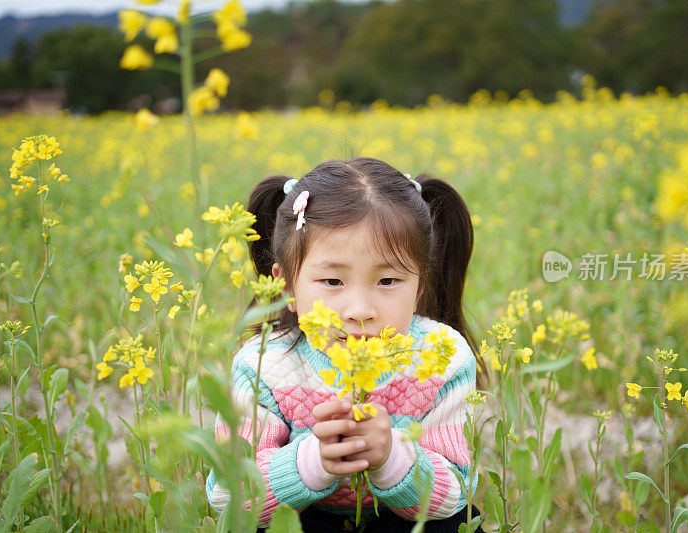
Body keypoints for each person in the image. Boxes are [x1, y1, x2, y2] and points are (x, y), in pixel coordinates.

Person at [206, 157, 484, 532]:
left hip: (402, 520)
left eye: (387, 281)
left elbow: (456, 491)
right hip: (301, 518)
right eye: (333, 282)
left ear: (420, 286)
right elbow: (227, 493)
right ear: (286, 285)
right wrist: (312, 463)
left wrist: (394, 459)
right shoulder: (263, 365)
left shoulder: (443, 358)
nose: (359, 311)